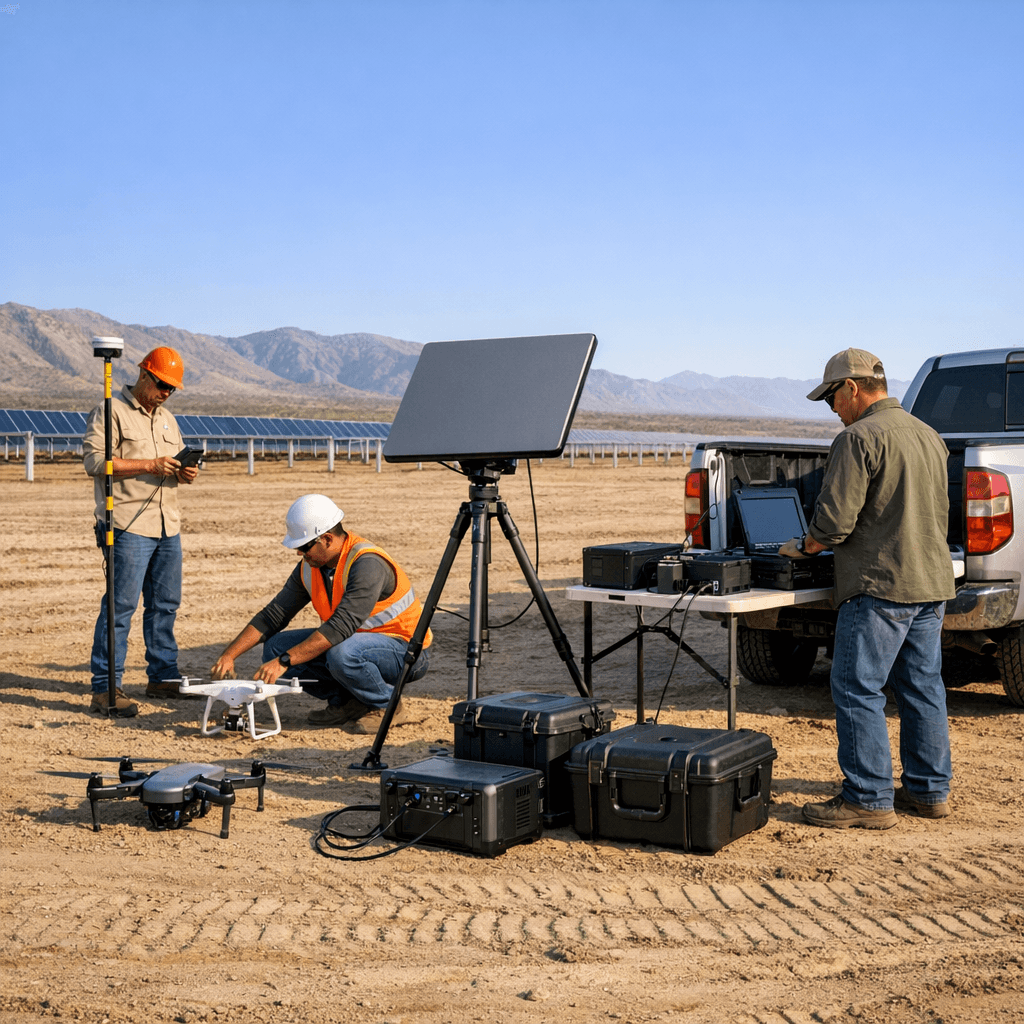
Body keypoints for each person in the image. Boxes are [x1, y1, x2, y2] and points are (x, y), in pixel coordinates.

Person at [779, 348, 955, 829]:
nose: (832, 409)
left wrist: (804, 546)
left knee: (857, 687)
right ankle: (928, 792)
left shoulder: (858, 438)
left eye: (832, 398)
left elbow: (833, 523)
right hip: (931, 582)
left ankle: (867, 798)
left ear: (852, 388)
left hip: (881, 584)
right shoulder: (929, 436)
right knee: (922, 687)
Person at [210, 494, 431, 733]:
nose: (299, 554)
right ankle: (349, 703)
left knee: (338, 652)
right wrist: (229, 655)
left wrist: (285, 661)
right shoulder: (310, 567)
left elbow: (340, 627)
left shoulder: (367, 563)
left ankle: (389, 705)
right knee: (275, 647)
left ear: (326, 539)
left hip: (406, 651)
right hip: (354, 644)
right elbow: (273, 616)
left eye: (304, 547)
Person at [83, 346, 200, 717]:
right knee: (120, 607)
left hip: (168, 525)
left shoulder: (168, 419)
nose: (166, 393)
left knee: (165, 605)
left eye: (172, 389)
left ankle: (163, 676)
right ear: (144, 375)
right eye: (163, 385)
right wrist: (150, 463)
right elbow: (95, 462)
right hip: (128, 524)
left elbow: (175, 461)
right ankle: (105, 686)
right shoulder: (110, 411)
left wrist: (186, 471)